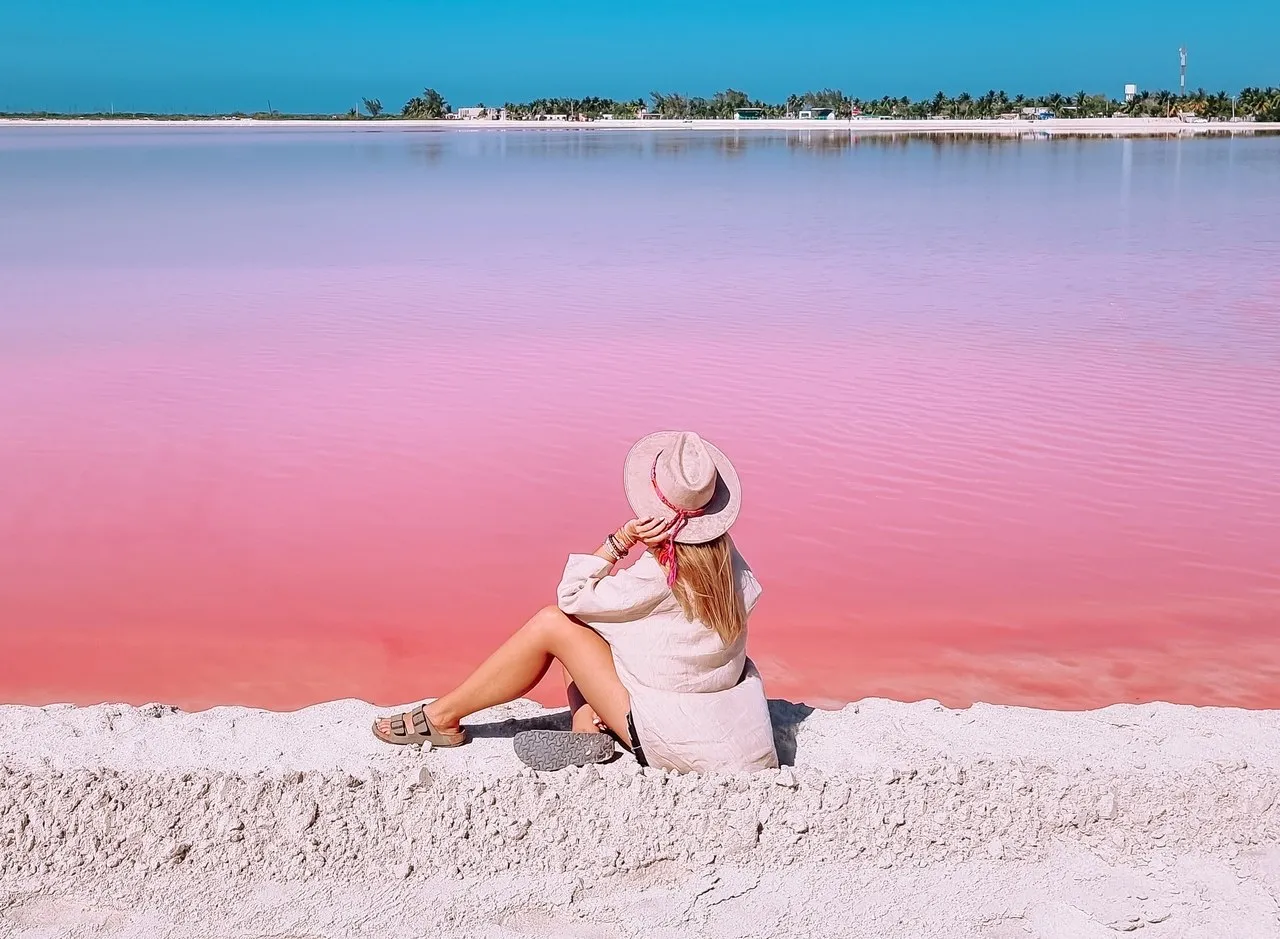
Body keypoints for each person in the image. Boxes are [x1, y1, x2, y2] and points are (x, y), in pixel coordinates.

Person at [372, 431, 779, 773]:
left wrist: (620, 541)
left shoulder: (660, 576)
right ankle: (586, 727)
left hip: (672, 740)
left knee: (557, 623)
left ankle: (442, 717)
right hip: (736, 731)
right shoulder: (729, 564)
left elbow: (570, 596)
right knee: (590, 622)